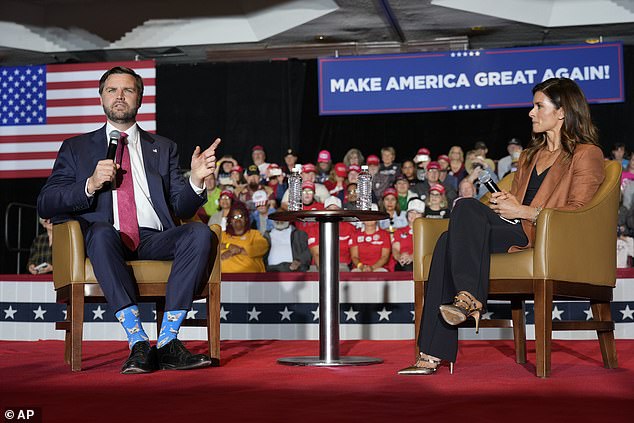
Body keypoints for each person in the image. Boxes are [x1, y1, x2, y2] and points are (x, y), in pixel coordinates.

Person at [398, 77, 605, 375]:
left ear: (561, 111)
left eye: (538, 106)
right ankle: (467, 301)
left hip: (550, 237)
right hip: (516, 226)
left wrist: (522, 209)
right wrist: (510, 202)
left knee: (447, 241)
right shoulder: (530, 156)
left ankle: (435, 348)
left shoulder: (586, 154)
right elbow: (519, 203)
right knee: (465, 209)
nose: (530, 113)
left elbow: (578, 212)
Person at [37, 66, 219, 374]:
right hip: (105, 240)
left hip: (153, 238)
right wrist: (89, 184)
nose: (119, 96)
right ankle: (137, 340)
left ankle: (167, 342)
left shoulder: (163, 147)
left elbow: (182, 206)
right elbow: (46, 203)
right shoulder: (76, 147)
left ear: (140, 98)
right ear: (101, 98)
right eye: (112, 90)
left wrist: (197, 182)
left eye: (128, 90)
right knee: (102, 233)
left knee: (200, 234)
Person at [220, 201, 269, 273]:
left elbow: (263, 247)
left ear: (245, 219)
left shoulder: (254, 234)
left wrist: (239, 250)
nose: (237, 219)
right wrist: (229, 246)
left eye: (240, 216)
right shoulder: (223, 235)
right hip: (225, 278)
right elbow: (212, 247)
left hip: (251, 278)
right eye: (234, 217)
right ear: (230, 220)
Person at [392, 199, 425, 271]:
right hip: (402, 262)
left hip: (420, 263)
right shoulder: (400, 231)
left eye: (417, 213)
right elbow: (395, 249)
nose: (414, 215)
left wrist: (412, 257)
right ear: (407, 214)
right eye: (411, 212)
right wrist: (400, 257)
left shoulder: (425, 232)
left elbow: (425, 250)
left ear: (422, 215)